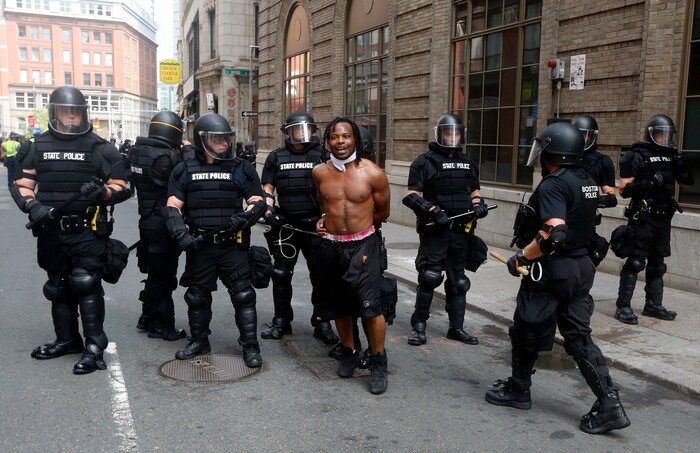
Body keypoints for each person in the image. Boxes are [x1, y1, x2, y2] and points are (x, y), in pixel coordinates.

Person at [484, 121, 630, 435]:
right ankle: (610, 404)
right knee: (579, 337)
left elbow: (554, 233)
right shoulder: (586, 179)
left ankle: (519, 390)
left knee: (526, 328)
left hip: (552, 268)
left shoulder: (553, 184)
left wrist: (523, 256)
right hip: (581, 268)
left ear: (553, 150)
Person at [10, 85, 130, 374]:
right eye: (66, 111)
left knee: (86, 283)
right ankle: (66, 340)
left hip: (87, 231)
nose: (71, 116)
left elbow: (122, 186)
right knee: (58, 287)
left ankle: (94, 347)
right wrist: (32, 206)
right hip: (51, 230)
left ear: (84, 113)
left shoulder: (100, 147)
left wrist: (103, 193)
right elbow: (22, 185)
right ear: (55, 112)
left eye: (76, 111)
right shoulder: (36, 147)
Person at [165, 113, 266, 368]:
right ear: (203, 141)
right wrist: (180, 233)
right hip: (200, 245)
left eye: (226, 139)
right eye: (218, 139)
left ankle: (250, 345)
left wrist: (245, 218)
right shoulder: (185, 169)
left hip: (232, 245)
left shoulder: (241, 167)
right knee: (197, 296)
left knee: (243, 295)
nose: (225, 143)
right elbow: (173, 205)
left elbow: (257, 200)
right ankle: (199, 340)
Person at [312, 117, 391, 394]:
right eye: (335, 137)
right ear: (328, 141)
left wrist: (360, 227)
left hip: (363, 246)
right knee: (340, 306)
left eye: (345, 136)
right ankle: (349, 351)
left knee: (371, 307)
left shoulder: (373, 172)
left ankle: (378, 360)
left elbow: (383, 212)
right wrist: (324, 218)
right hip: (332, 247)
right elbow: (325, 202)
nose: (340, 142)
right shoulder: (320, 172)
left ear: (355, 139)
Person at [402, 114, 488, 347]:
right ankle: (419, 327)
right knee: (430, 277)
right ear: (440, 134)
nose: (452, 137)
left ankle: (457, 328)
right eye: (448, 133)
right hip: (435, 232)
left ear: (462, 135)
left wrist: (478, 207)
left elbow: (474, 191)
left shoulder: (469, 163)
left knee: (459, 281)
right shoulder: (424, 162)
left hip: (461, 232)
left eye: (456, 133)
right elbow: (411, 196)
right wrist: (431, 210)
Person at [259, 112, 339, 345]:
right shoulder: (276, 157)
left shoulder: (324, 155)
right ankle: (281, 321)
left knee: (322, 276)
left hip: (316, 225)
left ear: (313, 130)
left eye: (306, 129)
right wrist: (269, 211)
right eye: (296, 129)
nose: (301, 134)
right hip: (287, 225)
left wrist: (328, 217)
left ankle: (322, 321)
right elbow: (268, 188)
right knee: (281, 274)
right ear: (288, 131)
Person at [613, 114, 694, 324]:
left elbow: (686, 183)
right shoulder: (636, 156)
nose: (665, 138)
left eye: (668, 135)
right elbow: (623, 190)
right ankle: (623, 307)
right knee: (636, 262)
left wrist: (679, 159)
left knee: (658, 265)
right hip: (643, 217)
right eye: (661, 134)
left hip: (663, 218)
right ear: (652, 134)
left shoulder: (671, 156)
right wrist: (647, 184)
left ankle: (653, 305)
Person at [130, 111, 188, 341]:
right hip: (164, 222)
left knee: (155, 273)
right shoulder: (167, 157)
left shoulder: (138, 152)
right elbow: (187, 176)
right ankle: (163, 326)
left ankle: (147, 317)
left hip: (147, 220)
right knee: (164, 277)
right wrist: (189, 152)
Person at [572, 115, 617, 266]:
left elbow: (610, 196)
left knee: (583, 264)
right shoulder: (564, 156)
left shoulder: (601, 162)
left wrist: (590, 198)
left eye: (584, 135)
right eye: (578, 134)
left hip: (585, 221)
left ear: (592, 137)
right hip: (561, 217)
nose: (581, 139)